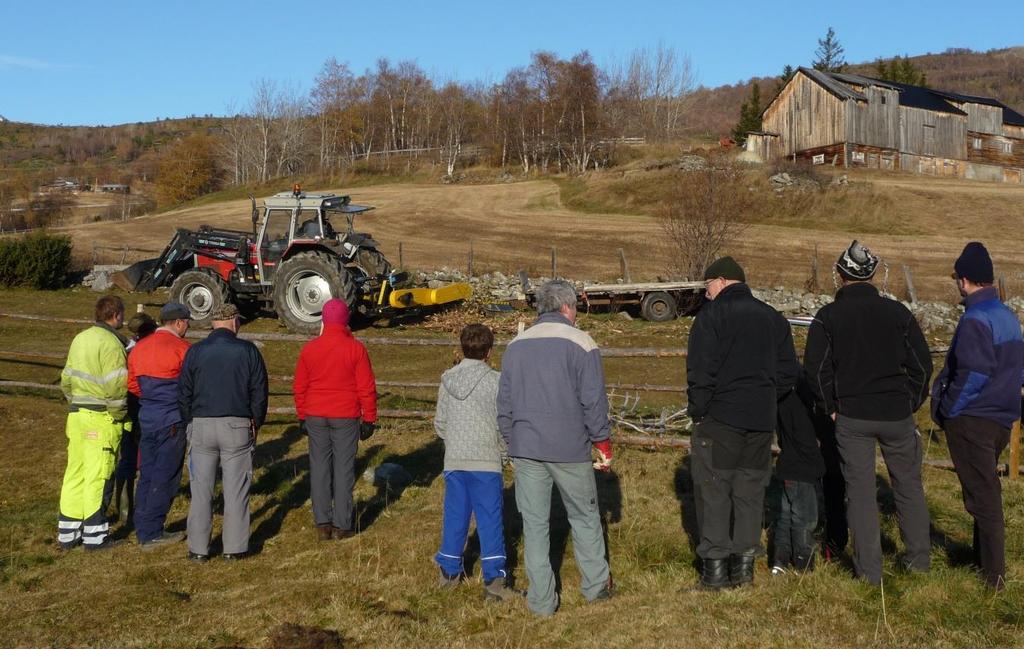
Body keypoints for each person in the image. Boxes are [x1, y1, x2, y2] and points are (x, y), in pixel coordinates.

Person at [804, 240, 933, 586]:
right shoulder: (898, 314)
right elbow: (923, 365)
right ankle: (919, 561)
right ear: (873, 275)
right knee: (908, 487)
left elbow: (815, 370)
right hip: (896, 414)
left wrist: (830, 408)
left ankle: (869, 573)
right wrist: (910, 402)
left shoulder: (828, 317)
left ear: (840, 275)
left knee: (859, 493)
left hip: (853, 416)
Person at [497, 279, 613, 616]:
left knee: (534, 525)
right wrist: (601, 441)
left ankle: (542, 601)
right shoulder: (581, 342)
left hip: (526, 445)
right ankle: (594, 586)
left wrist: (512, 438)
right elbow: (593, 401)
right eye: (576, 307)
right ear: (566, 307)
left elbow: (504, 402)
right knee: (585, 516)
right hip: (570, 447)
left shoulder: (516, 345)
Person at [686, 256, 798, 590]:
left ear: (720, 281)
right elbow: (787, 372)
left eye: (707, 287)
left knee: (714, 491)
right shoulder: (772, 319)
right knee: (750, 493)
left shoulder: (712, 316)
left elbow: (700, 371)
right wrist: (764, 401)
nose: (706, 294)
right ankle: (744, 571)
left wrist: (699, 411)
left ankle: (715, 573)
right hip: (761, 422)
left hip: (719, 419)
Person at [931, 242, 1024, 589]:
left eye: (957, 277)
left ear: (965, 280)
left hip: (973, 418)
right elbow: (1020, 371)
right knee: (985, 489)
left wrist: (949, 408)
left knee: (984, 498)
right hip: (1001, 419)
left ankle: (994, 579)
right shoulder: (1008, 317)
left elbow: (973, 373)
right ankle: (980, 561)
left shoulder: (974, 320)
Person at [434, 324, 518, 601]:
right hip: (486, 459)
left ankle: (448, 572)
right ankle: (495, 579)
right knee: (490, 519)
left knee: (455, 515)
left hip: (455, 458)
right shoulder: (497, 381)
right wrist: (504, 452)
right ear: (490, 351)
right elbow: (504, 423)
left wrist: (456, 442)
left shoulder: (447, 379)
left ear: (461, 348)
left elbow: (441, 423)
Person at [179, 303, 268, 562]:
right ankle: (234, 547)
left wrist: (190, 421)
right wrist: (256, 422)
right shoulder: (247, 351)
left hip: (202, 424)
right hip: (236, 424)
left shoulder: (195, 352)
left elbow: (184, 391)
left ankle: (198, 548)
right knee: (236, 489)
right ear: (233, 322)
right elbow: (259, 392)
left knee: (201, 489)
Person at [292, 299, 376, 541]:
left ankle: (323, 521)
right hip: (345, 415)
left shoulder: (310, 349)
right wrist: (369, 417)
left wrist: (302, 414)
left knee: (319, 467)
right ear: (345, 320)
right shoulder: (355, 349)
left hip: (316, 414)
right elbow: (366, 387)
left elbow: (300, 385)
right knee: (344, 468)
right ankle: (342, 523)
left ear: (324, 320)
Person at [58, 295, 129, 551]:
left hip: (76, 415)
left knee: (75, 472)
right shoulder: (110, 344)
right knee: (99, 475)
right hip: (100, 418)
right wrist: (120, 415)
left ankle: (67, 532)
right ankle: (95, 535)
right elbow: (116, 385)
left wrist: (74, 401)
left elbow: (66, 378)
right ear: (116, 315)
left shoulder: (80, 338)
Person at [127, 302, 191, 550]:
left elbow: (132, 385)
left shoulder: (139, 348)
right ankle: (152, 531)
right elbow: (190, 386)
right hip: (171, 419)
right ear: (177, 323)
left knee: (148, 473)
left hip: (148, 416)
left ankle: (142, 524)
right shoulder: (182, 349)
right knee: (166, 475)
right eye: (187, 322)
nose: (187, 327)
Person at [770, 372, 826, 575]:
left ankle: (780, 559)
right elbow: (807, 443)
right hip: (803, 471)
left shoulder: (781, 403)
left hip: (787, 468)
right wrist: (818, 465)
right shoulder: (800, 410)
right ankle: (803, 561)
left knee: (785, 517)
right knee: (805, 518)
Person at [106, 311, 157, 524]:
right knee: (144, 459)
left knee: (127, 459)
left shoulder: (125, 350)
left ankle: (124, 510)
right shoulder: (148, 351)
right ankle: (142, 508)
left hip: (127, 406)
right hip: (142, 406)